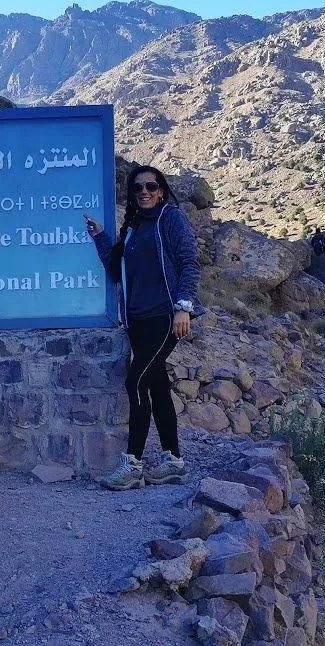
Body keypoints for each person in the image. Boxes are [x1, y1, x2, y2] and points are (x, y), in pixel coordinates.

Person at [84, 165, 201, 490]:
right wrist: (100, 236)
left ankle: (132, 464)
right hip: (137, 319)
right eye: (138, 188)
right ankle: (173, 461)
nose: (145, 192)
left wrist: (184, 307)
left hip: (166, 316)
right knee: (157, 384)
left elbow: (190, 262)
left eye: (151, 186)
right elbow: (115, 269)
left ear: (161, 190)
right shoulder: (134, 227)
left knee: (136, 381)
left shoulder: (171, 219)